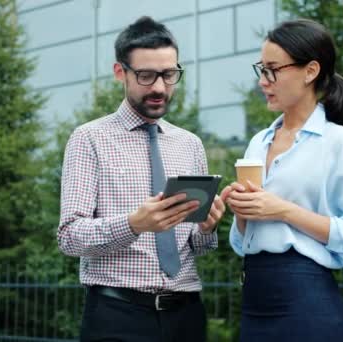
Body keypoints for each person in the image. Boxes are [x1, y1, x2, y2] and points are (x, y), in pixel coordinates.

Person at [58, 16, 229, 342]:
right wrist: (134, 224)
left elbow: (196, 246)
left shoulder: (190, 144)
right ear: (120, 72)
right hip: (117, 317)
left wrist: (207, 228)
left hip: (187, 314)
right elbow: (69, 236)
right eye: (146, 76)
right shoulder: (89, 138)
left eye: (169, 74)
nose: (160, 87)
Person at [224, 19, 343, 341]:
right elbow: (243, 242)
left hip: (307, 303)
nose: (263, 81)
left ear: (310, 71)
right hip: (254, 301)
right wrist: (242, 212)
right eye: (261, 69)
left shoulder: (336, 141)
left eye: (272, 70)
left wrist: (283, 211)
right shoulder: (258, 142)